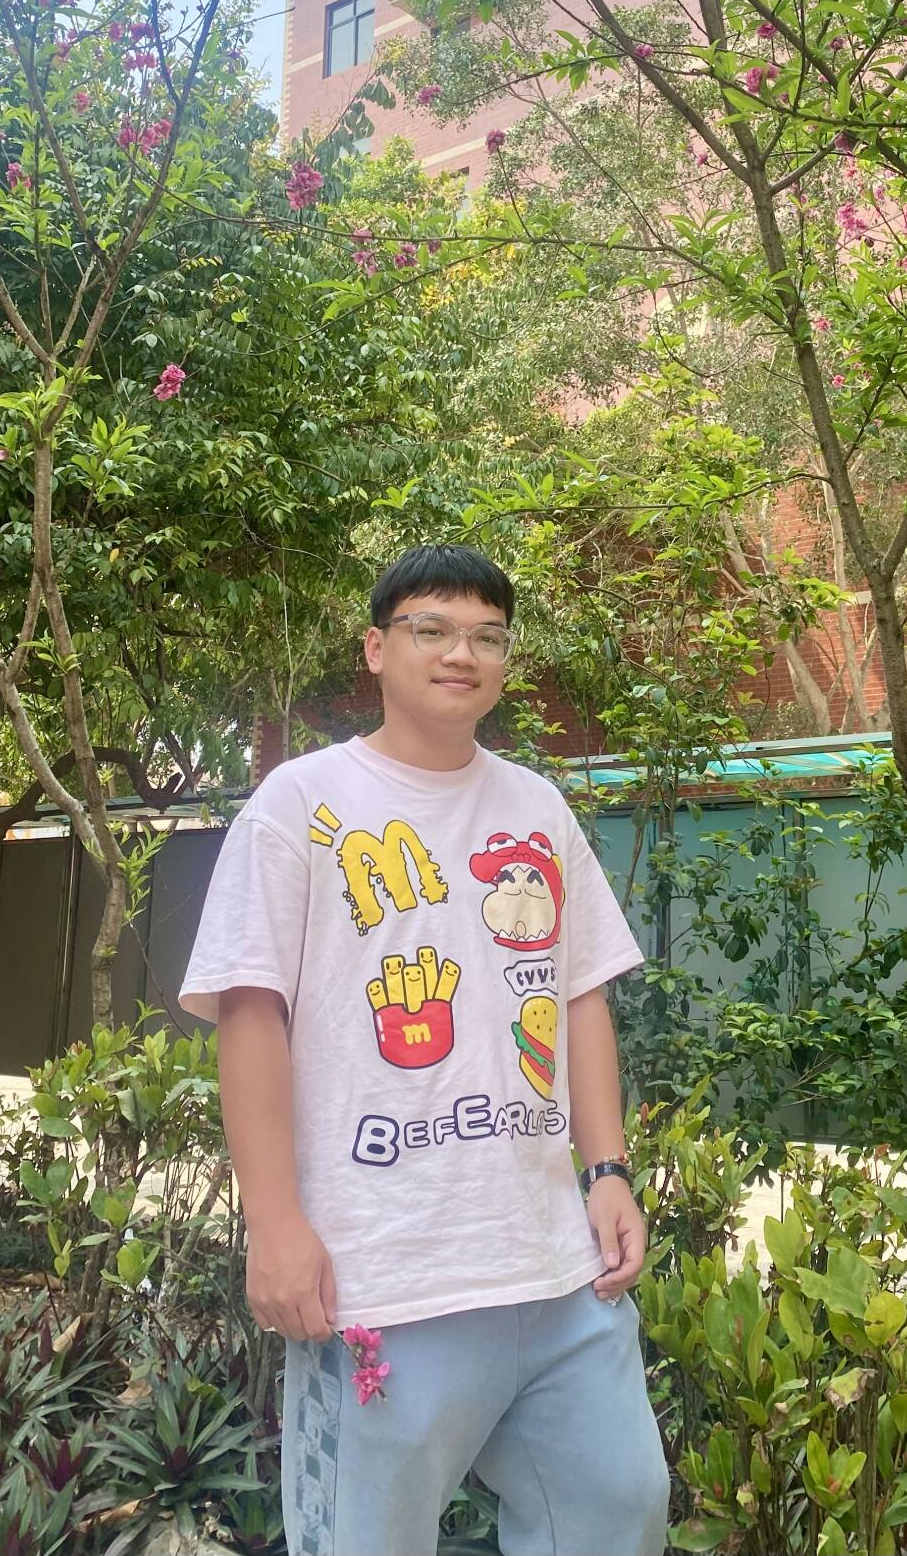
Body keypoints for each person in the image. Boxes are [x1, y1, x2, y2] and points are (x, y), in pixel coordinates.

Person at [177, 545, 670, 1556]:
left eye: (488, 636)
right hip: (382, 1279)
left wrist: (608, 1168)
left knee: (618, 1508)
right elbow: (250, 1012)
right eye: (432, 629)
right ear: (375, 647)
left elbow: (577, 992)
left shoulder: (537, 806)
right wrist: (274, 1222)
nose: (462, 653)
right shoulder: (300, 804)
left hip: (555, 1272)